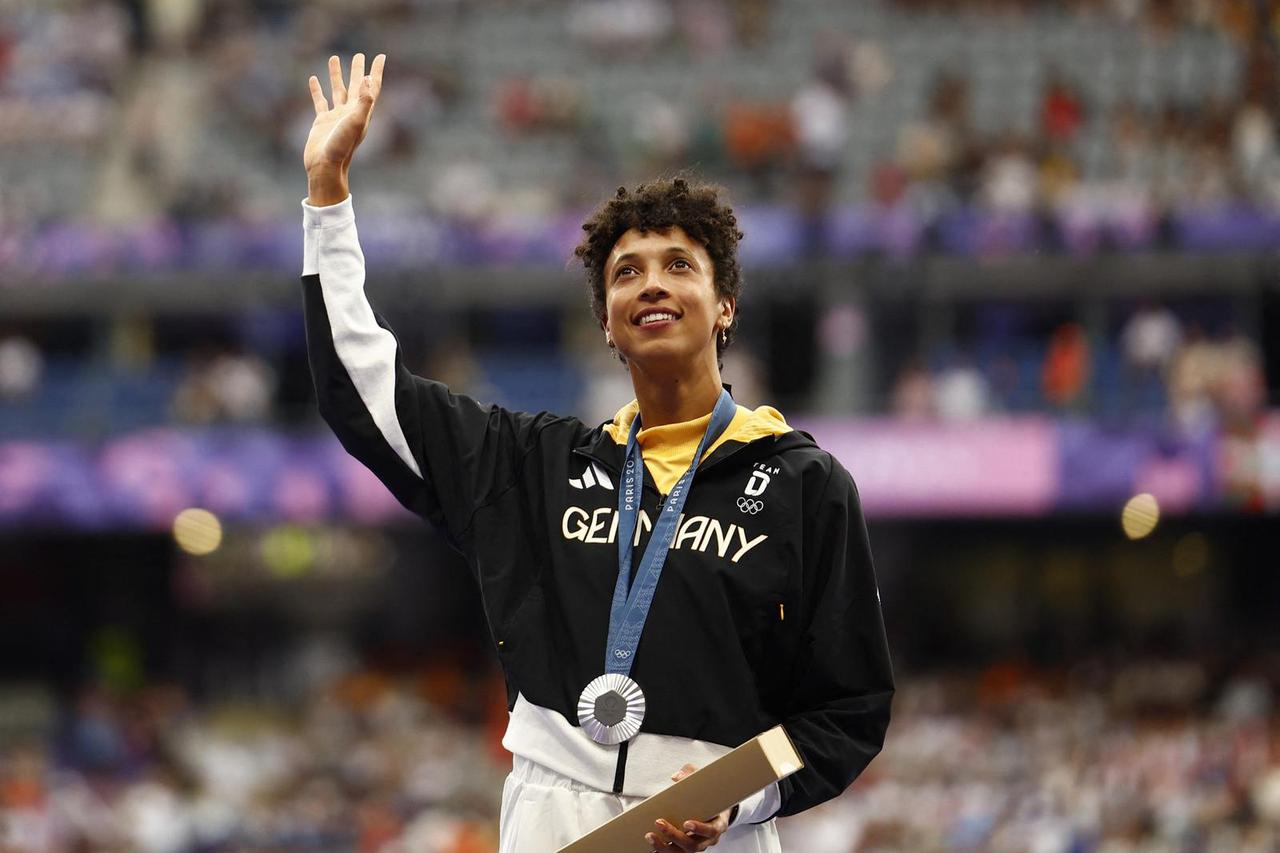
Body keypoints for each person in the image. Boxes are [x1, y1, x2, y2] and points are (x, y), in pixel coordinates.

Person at [302, 54, 893, 853]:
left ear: (725, 306)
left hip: (711, 825)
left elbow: (847, 709)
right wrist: (328, 196)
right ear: (608, 324)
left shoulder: (804, 485)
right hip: (551, 819)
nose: (651, 284)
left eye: (679, 266)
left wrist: (739, 792)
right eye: (626, 274)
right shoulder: (533, 468)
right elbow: (359, 387)